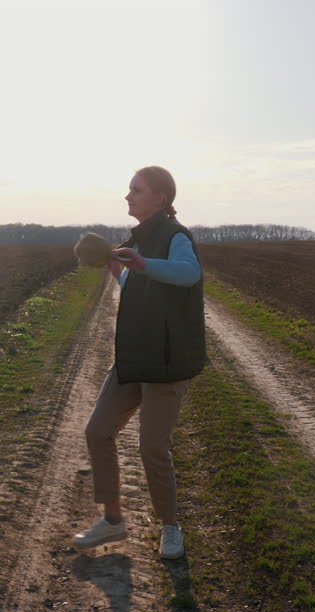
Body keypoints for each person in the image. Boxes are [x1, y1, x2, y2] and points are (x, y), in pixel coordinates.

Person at [73, 165, 206, 560]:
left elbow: (188, 274)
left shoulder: (175, 236)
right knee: (98, 431)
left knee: (152, 447)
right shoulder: (139, 238)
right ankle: (113, 518)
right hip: (133, 356)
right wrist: (120, 271)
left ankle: (171, 527)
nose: (128, 196)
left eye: (136, 190)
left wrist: (143, 265)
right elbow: (141, 286)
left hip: (166, 360)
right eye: (129, 190)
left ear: (160, 197)